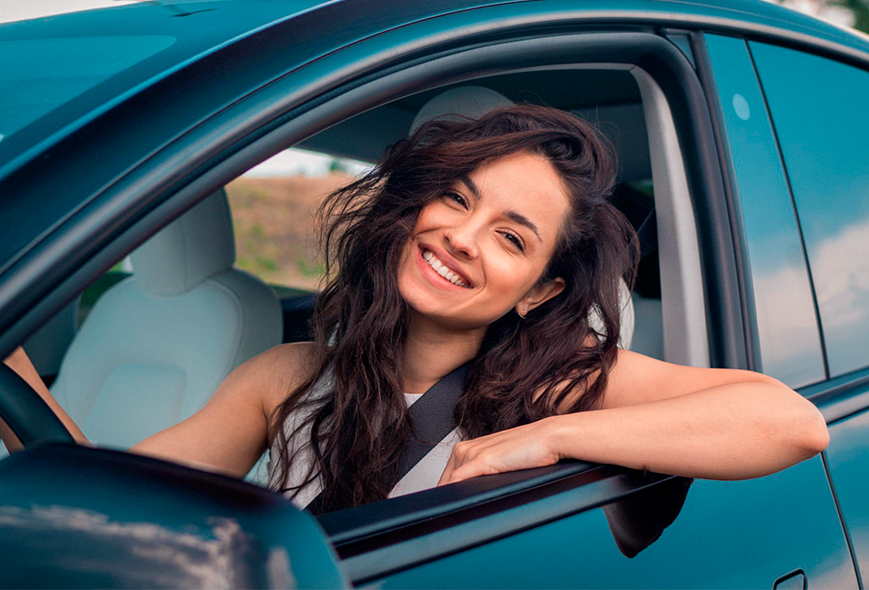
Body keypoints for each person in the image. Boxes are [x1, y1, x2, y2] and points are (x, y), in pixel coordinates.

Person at [0, 104, 829, 513]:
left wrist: (546, 437)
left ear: (539, 288)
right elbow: (103, 504)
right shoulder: (286, 376)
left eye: (510, 237)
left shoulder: (559, 381)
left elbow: (789, 423)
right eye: (455, 198)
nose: (461, 237)